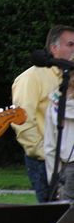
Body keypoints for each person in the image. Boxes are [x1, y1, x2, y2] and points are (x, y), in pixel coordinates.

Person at [11, 25, 74, 202]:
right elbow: (22, 121)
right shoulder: (31, 77)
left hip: (69, 160)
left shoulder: (70, 76)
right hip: (44, 161)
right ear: (54, 48)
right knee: (54, 217)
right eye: (70, 44)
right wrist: (45, 154)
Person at [44, 56, 74, 201]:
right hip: (68, 170)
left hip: (66, 169)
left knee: (67, 218)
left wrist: (53, 180)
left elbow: (50, 146)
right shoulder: (56, 102)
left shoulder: (55, 102)